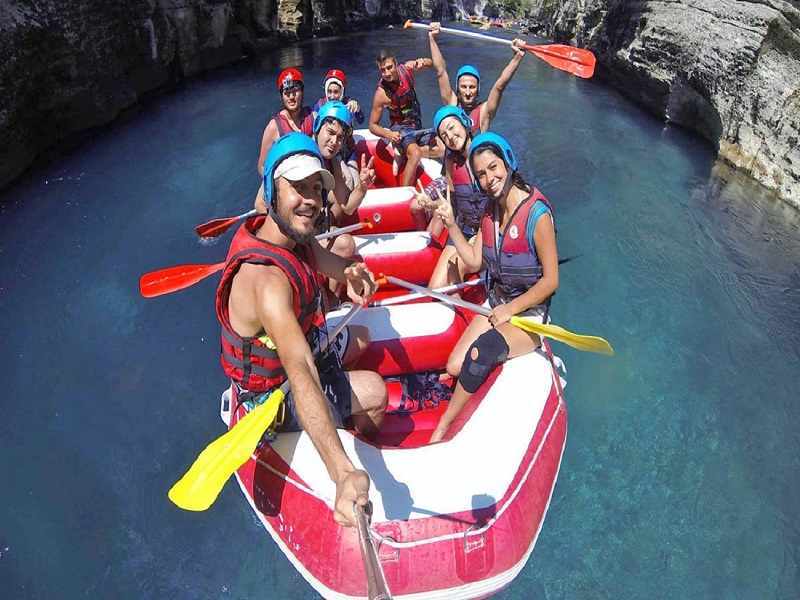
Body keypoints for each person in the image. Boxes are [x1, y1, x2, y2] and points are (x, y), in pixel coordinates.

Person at [218, 132, 388, 526]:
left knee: (362, 338)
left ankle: (337, 416)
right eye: (297, 187)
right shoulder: (267, 284)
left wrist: (354, 275)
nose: (310, 199)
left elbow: (335, 266)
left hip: (305, 348)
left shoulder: (296, 236)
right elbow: (300, 370)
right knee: (375, 392)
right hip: (274, 394)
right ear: (271, 192)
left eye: (315, 188)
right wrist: (342, 473)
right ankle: (346, 445)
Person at [429, 133, 559, 444]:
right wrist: (451, 224)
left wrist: (511, 310)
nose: (489, 179)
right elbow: (475, 261)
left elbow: (551, 280)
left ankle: (443, 425)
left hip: (529, 314)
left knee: (481, 352)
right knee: (454, 366)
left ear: (508, 162)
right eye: (481, 174)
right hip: (497, 301)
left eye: (493, 168)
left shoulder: (537, 215)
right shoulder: (490, 210)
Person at [416, 105, 488, 292]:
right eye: (444, 135)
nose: (450, 136)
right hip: (463, 228)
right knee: (436, 289)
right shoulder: (451, 162)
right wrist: (432, 205)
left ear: (464, 122)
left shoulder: (487, 155)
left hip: (486, 230)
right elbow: (453, 202)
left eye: (451, 127)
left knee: (454, 273)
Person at [428, 22, 527, 133]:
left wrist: (517, 57)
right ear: (458, 88)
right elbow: (440, 71)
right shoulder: (452, 103)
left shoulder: (484, 112)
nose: (467, 92)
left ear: (478, 89)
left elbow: (500, 86)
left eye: (472, 87)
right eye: (463, 87)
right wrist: (433, 39)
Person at [369, 48, 441, 197]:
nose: (387, 73)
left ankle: (402, 152)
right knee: (415, 153)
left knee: (442, 147)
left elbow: (431, 64)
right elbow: (372, 126)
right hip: (400, 128)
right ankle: (403, 195)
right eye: (383, 70)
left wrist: (421, 62)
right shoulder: (382, 94)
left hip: (416, 125)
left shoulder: (407, 69)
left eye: (389, 67)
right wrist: (389, 134)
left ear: (396, 64)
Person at [311, 100, 376, 261]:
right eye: (330, 132)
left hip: (312, 229)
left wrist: (362, 186)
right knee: (345, 244)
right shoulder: (298, 154)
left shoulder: (333, 163)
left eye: (340, 137)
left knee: (346, 243)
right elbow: (261, 204)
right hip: (294, 235)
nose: (334, 142)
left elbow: (347, 206)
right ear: (317, 127)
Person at [256, 68, 316, 176]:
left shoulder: (313, 118)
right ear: (282, 97)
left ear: (302, 92)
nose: (291, 97)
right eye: (287, 93)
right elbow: (262, 166)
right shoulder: (274, 127)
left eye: (295, 91)